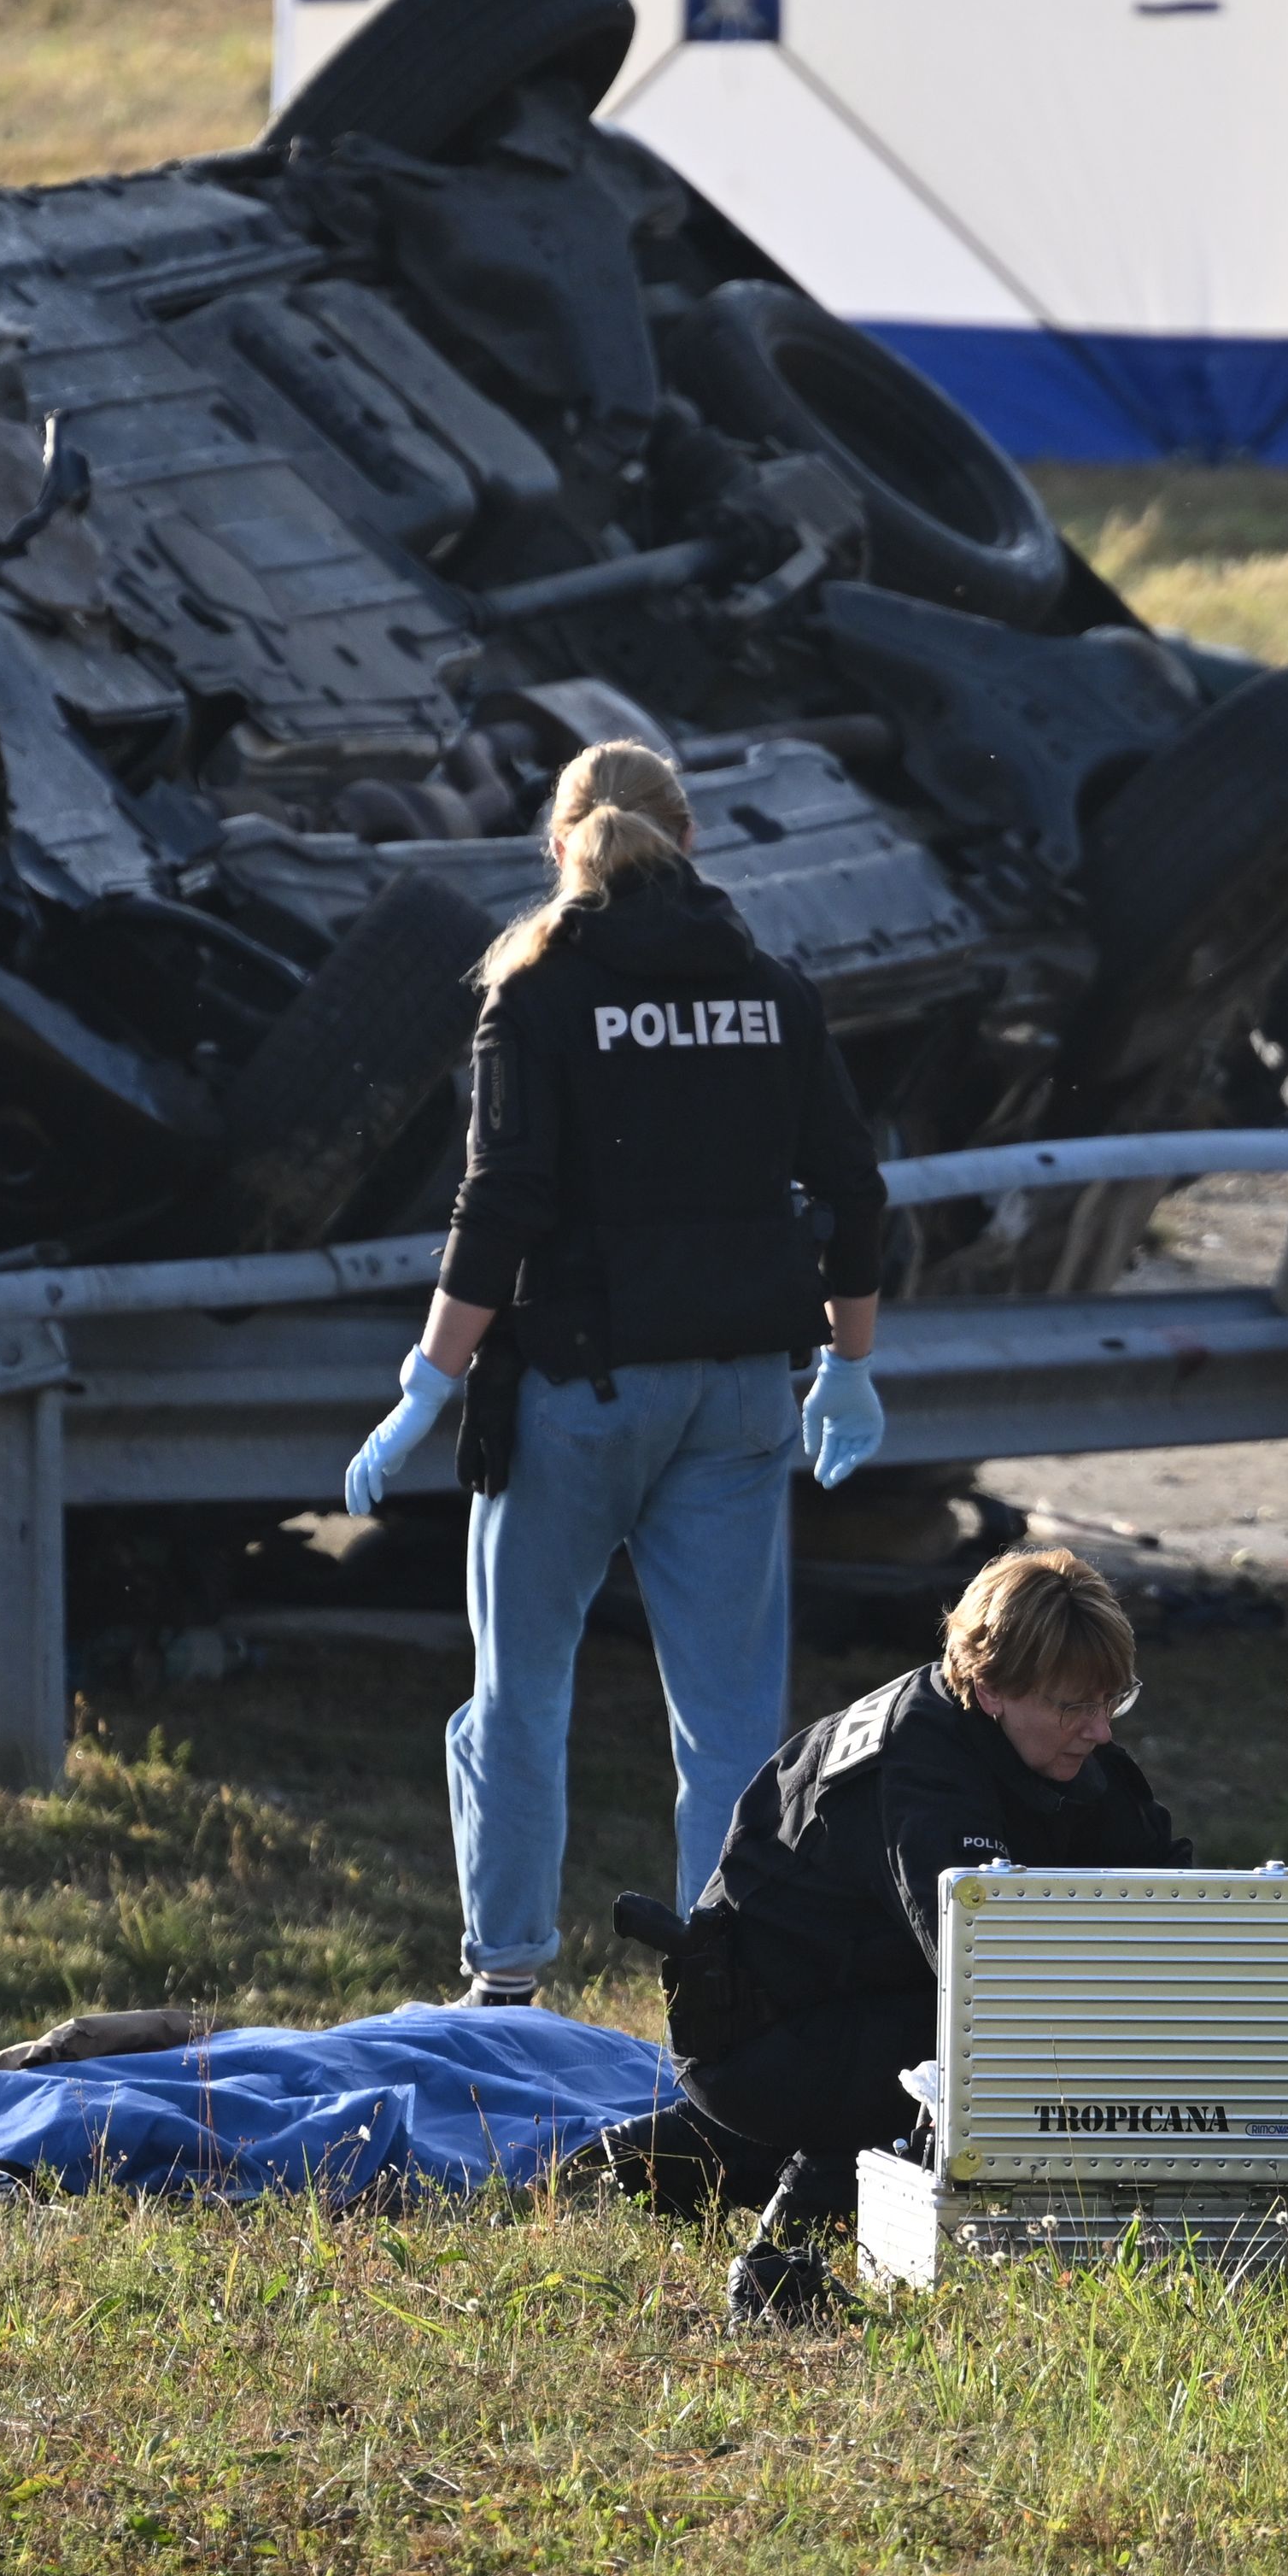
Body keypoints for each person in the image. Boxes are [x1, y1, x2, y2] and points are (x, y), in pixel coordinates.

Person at [337, 741, 892, 2004]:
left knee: (517, 1700)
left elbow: (502, 1202)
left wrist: (430, 1379)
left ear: (559, 848)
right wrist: (850, 1366)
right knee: (733, 1725)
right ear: (689, 841)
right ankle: (725, 1988)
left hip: (577, 1397)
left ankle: (509, 1982)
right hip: (746, 1393)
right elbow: (852, 1190)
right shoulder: (776, 991)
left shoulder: (533, 995)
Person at [644, 1547, 1184, 2198]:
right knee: (1014, 2050)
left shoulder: (1056, 1737)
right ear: (990, 1689)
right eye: (1074, 1708)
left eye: (1112, 1701)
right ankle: (821, 2195)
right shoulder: (921, 1772)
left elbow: (1171, 1900)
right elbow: (995, 1981)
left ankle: (702, 2156)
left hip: (853, 2003)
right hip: (755, 2042)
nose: (1099, 1729)